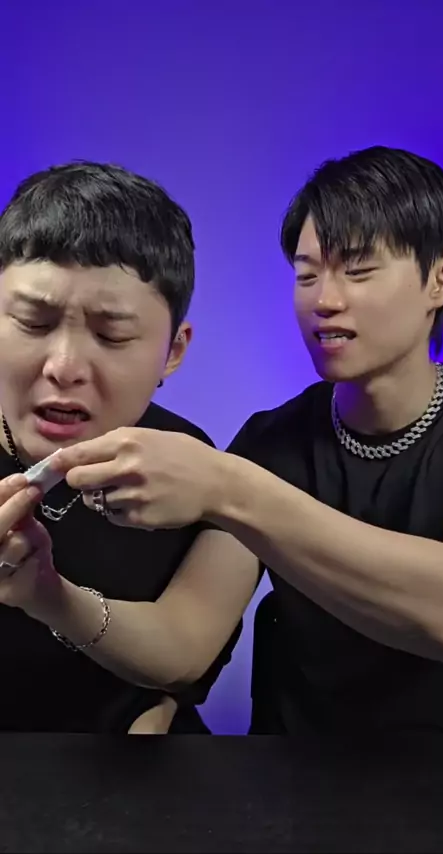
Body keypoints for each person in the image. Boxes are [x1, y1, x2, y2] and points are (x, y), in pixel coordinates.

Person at [3, 146, 443, 748]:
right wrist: (46, 593)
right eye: (306, 274)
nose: (324, 300)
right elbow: (185, 644)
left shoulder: (227, 466)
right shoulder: (271, 441)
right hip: (291, 773)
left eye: (358, 271)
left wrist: (229, 487)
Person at [0, 160, 240, 734]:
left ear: (173, 352)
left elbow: (184, 657)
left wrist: (47, 594)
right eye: (33, 322)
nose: (64, 367)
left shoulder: (201, 469)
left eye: (111, 335)